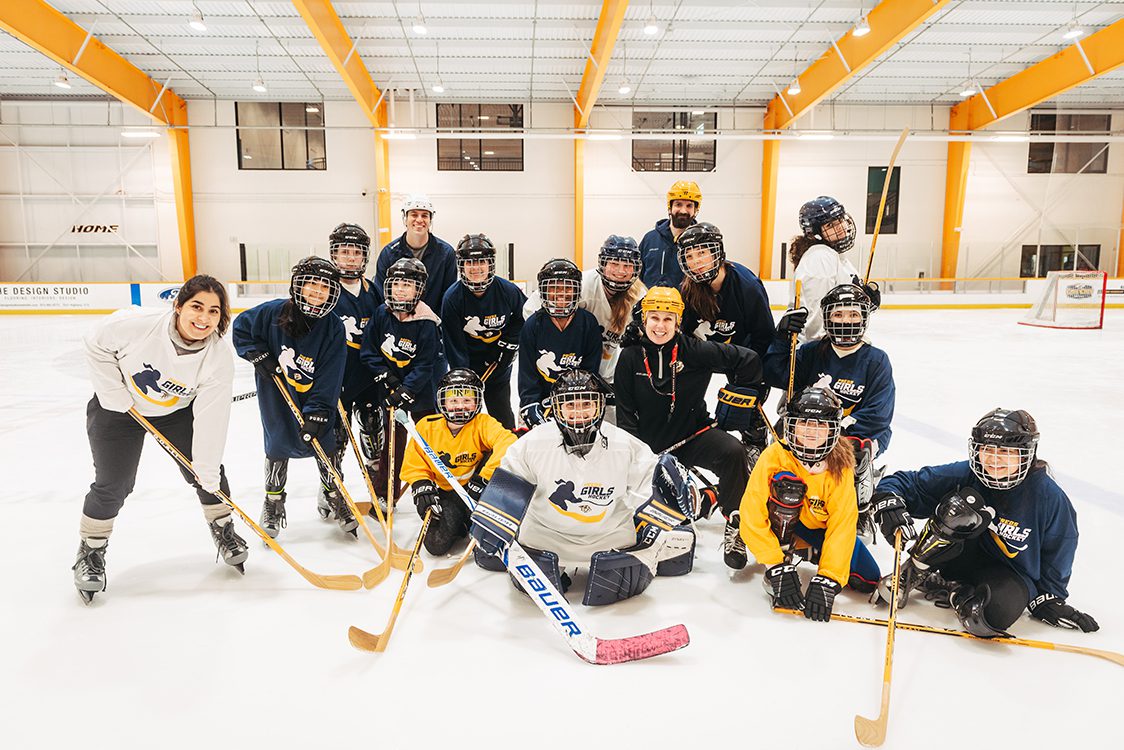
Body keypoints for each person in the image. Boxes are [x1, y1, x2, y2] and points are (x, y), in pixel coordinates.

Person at [74, 275, 246, 603]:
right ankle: (91, 550)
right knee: (114, 483)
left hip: (174, 414)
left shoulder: (217, 358)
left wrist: (206, 471)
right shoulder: (137, 325)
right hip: (117, 410)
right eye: (197, 306)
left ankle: (224, 528)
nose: (204, 318)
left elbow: (212, 419)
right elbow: (94, 342)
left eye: (214, 311)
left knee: (208, 473)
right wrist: (114, 394)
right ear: (178, 306)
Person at [467, 370, 696, 606]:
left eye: (586, 403)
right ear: (557, 408)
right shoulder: (532, 444)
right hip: (546, 535)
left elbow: (649, 481)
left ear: (599, 406)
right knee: (524, 567)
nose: (579, 411)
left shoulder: (623, 444)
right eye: (570, 404)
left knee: (627, 578)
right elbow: (510, 482)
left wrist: (668, 497)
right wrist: (495, 514)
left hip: (609, 536)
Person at [870, 408, 1098, 637]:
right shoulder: (966, 474)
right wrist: (889, 501)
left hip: (1009, 574)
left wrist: (1050, 595)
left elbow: (1061, 545)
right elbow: (903, 483)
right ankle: (914, 572)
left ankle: (954, 590)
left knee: (988, 618)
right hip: (956, 557)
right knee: (960, 506)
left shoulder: (1048, 496)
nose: (993, 458)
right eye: (987, 449)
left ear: (1026, 453)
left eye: (1006, 451)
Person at [615, 286, 764, 570]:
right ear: (643, 320)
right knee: (670, 517)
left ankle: (735, 522)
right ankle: (705, 499)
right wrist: (637, 456)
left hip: (691, 437)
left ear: (678, 322)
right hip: (648, 449)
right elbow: (625, 414)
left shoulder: (694, 351)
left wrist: (740, 396)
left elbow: (748, 360)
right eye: (654, 318)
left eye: (668, 319)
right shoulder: (630, 356)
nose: (660, 326)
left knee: (733, 451)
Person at [765, 283, 895, 543]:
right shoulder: (814, 352)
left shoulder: (877, 360)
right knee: (780, 443)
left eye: (853, 314)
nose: (846, 321)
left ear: (864, 318)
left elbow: (879, 413)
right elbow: (776, 374)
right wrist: (782, 338)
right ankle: (782, 507)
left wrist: (835, 434)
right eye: (838, 314)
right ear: (827, 317)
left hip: (858, 432)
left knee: (855, 454)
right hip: (811, 431)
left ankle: (860, 509)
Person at [233, 257, 351, 539]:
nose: (318, 292)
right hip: (277, 397)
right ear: (298, 285)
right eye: (312, 284)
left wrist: (319, 410)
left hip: (314, 397)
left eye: (325, 287)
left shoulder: (333, 327)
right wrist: (257, 354)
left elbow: (331, 373)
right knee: (277, 445)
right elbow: (241, 328)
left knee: (325, 443)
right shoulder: (272, 313)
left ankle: (333, 493)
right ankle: (273, 502)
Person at [739, 386, 880, 623]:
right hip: (782, 519)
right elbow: (752, 512)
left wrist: (830, 577)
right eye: (804, 422)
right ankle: (783, 554)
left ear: (833, 429)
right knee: (788, 488)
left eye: (820, 425)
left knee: (867, 579)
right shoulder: (774, 456)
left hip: (816, 526)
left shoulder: (841, 465)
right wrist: (774, 563)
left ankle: (807, 548)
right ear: (791, 425)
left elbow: (842, 524)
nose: (812, 431)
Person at [677, 221, 776, 464]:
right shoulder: (688, 290)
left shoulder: (747, 285)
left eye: (702, 253)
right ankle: (691, 429)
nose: (696, 261)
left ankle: (754, 438)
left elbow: (764, 335)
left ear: (717, 252)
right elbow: (682, 334)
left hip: (744, 355)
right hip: (709, 352)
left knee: (745, 405)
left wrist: (749, 379)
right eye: (690, 256)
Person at [400, 369, 517, 556]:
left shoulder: (483, 423)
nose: (460, 406)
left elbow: (509, 442)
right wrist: (421, 485)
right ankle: (461, 521)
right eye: (453, 401)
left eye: (467, 401)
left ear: (477, 402)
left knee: (492, 544)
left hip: (476, 492)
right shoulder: (426, 426)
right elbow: (415, 463)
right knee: (435, 545)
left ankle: (469, 520)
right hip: (446, 494)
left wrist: (484, 479)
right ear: (442, 401)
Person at [361, 257, 445, 509]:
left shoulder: (427, 322)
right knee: (393, 444)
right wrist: (387, 378)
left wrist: (407, 389)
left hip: (421, 394)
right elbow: (369, 351)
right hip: (390, 390)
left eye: (406, 285)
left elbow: (425, 364)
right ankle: (386, 491)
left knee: (429, 442)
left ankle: (439, 486)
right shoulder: (381, 313)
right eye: (396, 283)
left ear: (418, 289)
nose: (399, 289)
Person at [327, 222, 385, 507]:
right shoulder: (325, 291)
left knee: (374, 431)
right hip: (335, 379)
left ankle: (377, 486)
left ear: (365, 257)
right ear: (334, 255)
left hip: (368, 378)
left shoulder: (373, 292)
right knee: (336, 438)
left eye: (356, 253)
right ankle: (331, 488)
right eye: (344, 252)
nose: (350, 258)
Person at [441, 234, 526, 430]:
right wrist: (465, 379)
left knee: (502, 418)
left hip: (498, 366)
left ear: (490, 264)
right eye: (469, 262)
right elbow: (454, 345)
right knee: (466, 422)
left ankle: (506, 457)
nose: (476, 268)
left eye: (481, 262)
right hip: (469, 366)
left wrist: (509, 346)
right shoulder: (452, 298)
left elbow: (523, 318)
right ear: (461, 266)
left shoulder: (508, 291)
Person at [517, 258, 603, 429]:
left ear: (577, 290)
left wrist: (577, 405)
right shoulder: (532, 325)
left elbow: (590, 372)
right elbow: (527, 375)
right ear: (543, 291)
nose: (561, 293)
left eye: (568, 287)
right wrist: (531, 406)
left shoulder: (589, 324)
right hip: (541, 402)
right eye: (554, 287)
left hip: (576, 403)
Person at [789, 196, 881, 344]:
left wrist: (865, 301)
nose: (840, 227)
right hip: (823, 350)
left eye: (840, 220)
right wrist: (821, 352)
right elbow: (816, 320)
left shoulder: (834, 255)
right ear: (814, 233)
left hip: (840, 343)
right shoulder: (821, 257)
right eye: (830, 226)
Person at [374, 194, 457, 313]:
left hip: (433, 324)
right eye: (414, 214)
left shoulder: (446, 253)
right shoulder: (388, 253)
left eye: (424, 215)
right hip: (397, 323)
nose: (419, 220)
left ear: (430, 220)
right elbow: (381, 295)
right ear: (405, 218)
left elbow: (449, 296)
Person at [639, 180, 701, 288]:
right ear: (670, 207)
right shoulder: (650, 239)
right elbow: (637, 277)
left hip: (687, 305)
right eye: (678, 204)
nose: (683, 211)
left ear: (695, 210)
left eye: (689, 206)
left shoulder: (701, 241)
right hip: (649, 304)